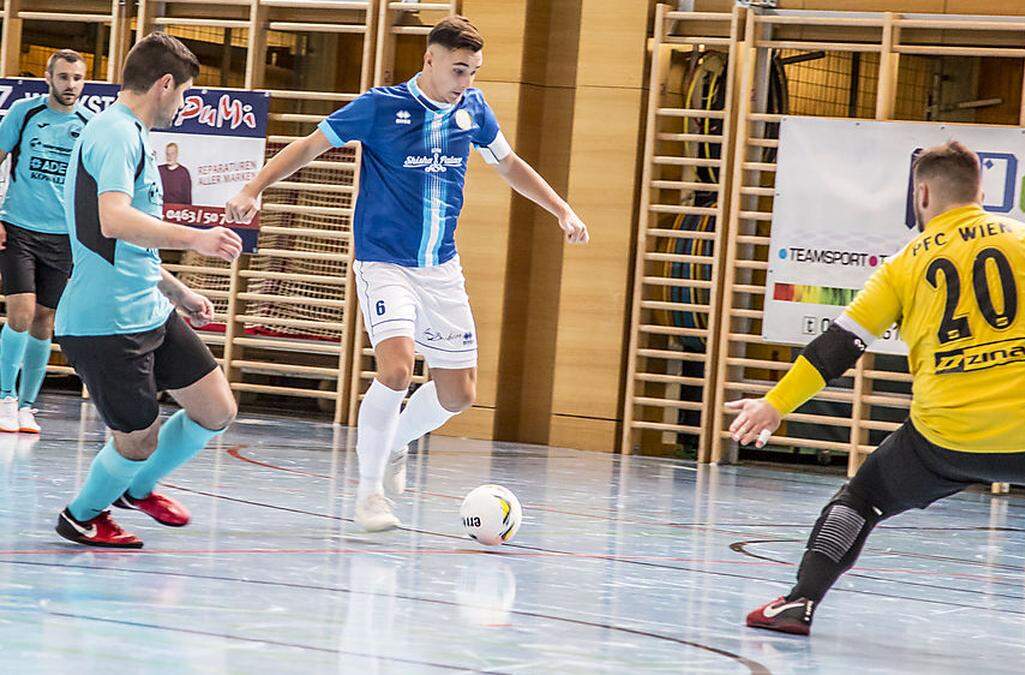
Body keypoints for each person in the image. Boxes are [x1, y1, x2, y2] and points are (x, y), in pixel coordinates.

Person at [730, 141, 1025, 644]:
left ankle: (799, 601)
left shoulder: (902, 265)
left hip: (940, 443)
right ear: (981, 191)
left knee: (860, 500)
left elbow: (837, 347)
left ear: (923, 193)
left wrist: (774, 404)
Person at [226, 16, 589, 532]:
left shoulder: (473, 110)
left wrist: (561, 210)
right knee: (396, 370)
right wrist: (253, 189)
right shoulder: (381, 107)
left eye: (474, 71)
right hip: (384, 261)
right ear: (431, 60)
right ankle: (370, 495)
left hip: (440, 266)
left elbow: (509, 164)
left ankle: (395, 440)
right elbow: (308, 145)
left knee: (458, 394)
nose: (467, 81)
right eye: (460, 70)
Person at [54, 33, 243, 549]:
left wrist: (177, 291)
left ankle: (135, 489)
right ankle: (82, 515)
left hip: (148, 308)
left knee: (216, 408)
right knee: (137, 441)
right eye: (182, 92)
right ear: (164, 84)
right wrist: (196, 239)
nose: (182, 104)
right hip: (105, 321)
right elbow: (113, 222)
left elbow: (123, 243)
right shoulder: (115, 133)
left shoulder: (131, 135)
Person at [0, 49, 91, 434]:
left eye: (77, 78)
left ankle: (27, 406)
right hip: (18, 228)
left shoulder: (91, 125)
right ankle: (4, 397)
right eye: (64, 77)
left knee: (44, 320)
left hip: (63, 238)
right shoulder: (25, 112)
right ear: (48, 78)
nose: (70, 85)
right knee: (19, 312)